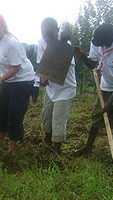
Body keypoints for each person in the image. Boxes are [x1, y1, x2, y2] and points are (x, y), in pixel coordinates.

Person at [73, 24, 113, 163]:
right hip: (107, 84)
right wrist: (82, 56)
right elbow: (93, 65)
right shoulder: (96, 41)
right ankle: (88, 147)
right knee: (98, 114)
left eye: (97, 41)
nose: (93, 42)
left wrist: (110, 103)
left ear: (108, 42)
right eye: (94, 39)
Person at [0, 13, 34, 153]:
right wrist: (0, 75)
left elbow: (16, 68)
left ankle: (13, 146)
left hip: (23, 80)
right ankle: (0, 139)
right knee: (0, 109)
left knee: (14, 114)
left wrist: (0, 80)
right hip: (7, 78)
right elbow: (2, 63)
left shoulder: (12, 43)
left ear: (3, 26)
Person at [38, 18, 76, 154]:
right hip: (51, 89)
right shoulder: (41, 43)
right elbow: (42, 65)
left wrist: (48, 76)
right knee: (47, 117)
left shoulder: (66, 45)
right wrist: (43, 78)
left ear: (57, 31)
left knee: (58, 120)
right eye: (44, 35)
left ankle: (56, 152)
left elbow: (59, 69)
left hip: (65, 88)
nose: (47, 38)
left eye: (51, 35)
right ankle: (47, 145)